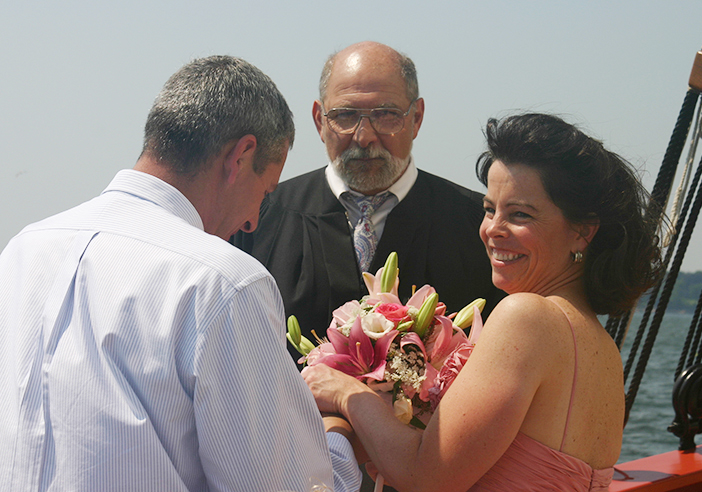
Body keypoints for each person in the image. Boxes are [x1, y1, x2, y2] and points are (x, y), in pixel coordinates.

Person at [0, 55, 361, 492]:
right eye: (264, 194)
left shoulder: (23, 250)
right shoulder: (223, 281)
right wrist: (340, 431)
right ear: (241, 156)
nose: (252, 222)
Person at [303, 113, 664, 491]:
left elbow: (425, 475)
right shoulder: (602, 347)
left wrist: (348, 393)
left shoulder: (527, 316)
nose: (492, 229)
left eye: (520, 214)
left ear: (581, 232)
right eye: (490, 209)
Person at [230, 41, 505, 360]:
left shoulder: (479, 226)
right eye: (344, 116)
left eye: (386, 115)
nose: (364, 137)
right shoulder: (257, 218)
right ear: (319, 120)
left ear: (416, 118)